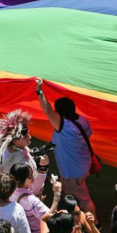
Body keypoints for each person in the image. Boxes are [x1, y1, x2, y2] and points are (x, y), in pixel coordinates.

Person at [35, 79, 97, 215]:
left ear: (60, 113)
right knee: (78, 197)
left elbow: (48, 111)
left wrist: (39, 91)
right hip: (81, 167)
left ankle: (95, 226)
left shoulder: (65, 127)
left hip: (73, 174)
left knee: (83, 200)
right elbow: (87, 135)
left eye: (57, 112)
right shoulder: (81, 120)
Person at [0, 109, 47, 195]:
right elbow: (35, 189)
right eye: (25, 136)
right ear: (15, 141)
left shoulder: (7, 147)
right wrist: (43, 169)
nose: (30, 137)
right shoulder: (23, 163)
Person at [10, 163, 59, 233]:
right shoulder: (31, 201)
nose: (33, 178)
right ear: (20, 180)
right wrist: (57, 195)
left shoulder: (11, 192)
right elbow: (50, 218)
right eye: (30, 176)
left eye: (33, 174)